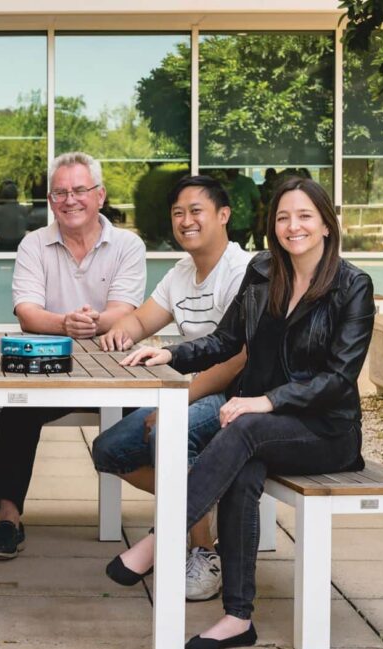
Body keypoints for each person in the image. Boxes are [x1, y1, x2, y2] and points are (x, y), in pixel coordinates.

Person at [116, 177, 374, 649]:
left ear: (325, 224)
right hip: (271, 429)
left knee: (245, 425)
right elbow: (225, 341)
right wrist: (170, 355)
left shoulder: (352, 285)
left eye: (304, 217)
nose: (292, 227)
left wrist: (267, 401)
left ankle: (161, 539)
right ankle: (238, 617)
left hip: (327, 431)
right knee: (243, 461)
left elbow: (339, 378)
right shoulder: (262, 273)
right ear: (271, 225)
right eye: (282, 217)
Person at [93, 175, 251, 601]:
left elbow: (240, 357)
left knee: (169, 432)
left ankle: (203, 551)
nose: (186, 221)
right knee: (108, 450)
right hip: (196, 390)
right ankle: (192, 510)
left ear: (224, 215)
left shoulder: (242, 272)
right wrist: (119, 332)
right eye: (178, 213)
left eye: (196, 211)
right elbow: (141, 320)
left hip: (239, 397)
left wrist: (182, 399)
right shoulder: (182, 273)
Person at [0, 151, 147, 559]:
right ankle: (8, 518)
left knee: (154, 425)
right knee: (18, 409)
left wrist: (92, 323)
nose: (69, 200)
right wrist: (65, 324)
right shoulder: (33, 244)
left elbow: (125, 311)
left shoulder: (128, 244)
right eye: (59, 192)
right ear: (50, 200)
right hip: (52, 369)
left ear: (100, 195)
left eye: (79, 190)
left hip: (115, 371)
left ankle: (187, 515)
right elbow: (26, 313)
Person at [223, 168, 260, 250]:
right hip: (222, 225)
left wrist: (259, 222)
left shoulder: (247, 182)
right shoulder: (221, 183)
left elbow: (258, 202)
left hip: (242, 225)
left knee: (238, 252)